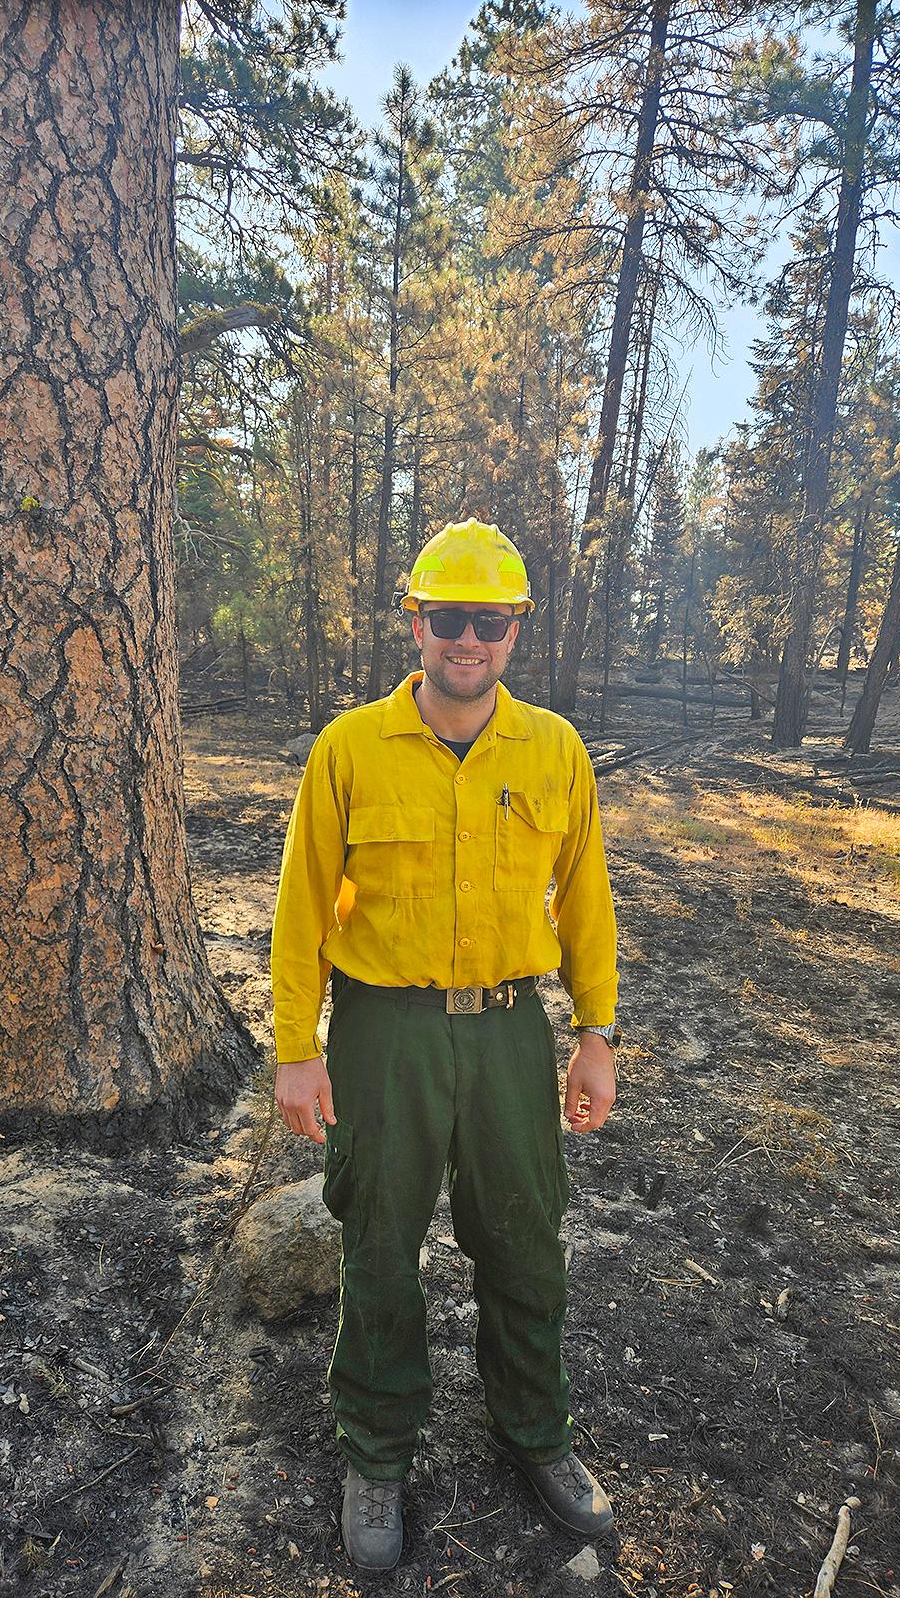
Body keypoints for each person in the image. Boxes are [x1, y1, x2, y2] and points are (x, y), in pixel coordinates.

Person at [270, 518, 619, 1571]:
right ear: (415, 622)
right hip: (385, 1033)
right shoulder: (349, 749)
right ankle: (376, 1452)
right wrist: (298, 1045)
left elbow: (589, 903)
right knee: (377, 1240)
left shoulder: (554, 750)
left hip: (514, 1028)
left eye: (490, 621)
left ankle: (535, 1431)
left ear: (515, 630)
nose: (468, 640)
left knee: (523, 1235)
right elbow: (300, 910)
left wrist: (595, 1035)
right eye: (448, 618)